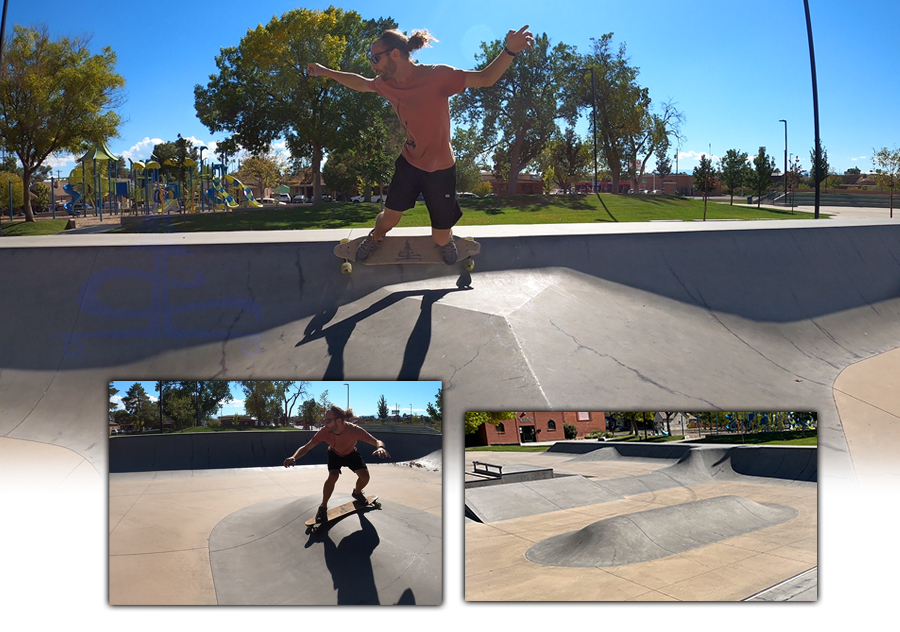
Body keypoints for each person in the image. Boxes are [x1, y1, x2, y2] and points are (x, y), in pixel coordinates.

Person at [307, 25, 534, 264]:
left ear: (395, 53)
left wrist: (509, 50)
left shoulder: (437, 76)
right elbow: (361, 82)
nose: (373, 65)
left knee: (440, 237)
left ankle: (446, 240)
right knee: (389, 219)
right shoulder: (387, 84)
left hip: (441, 169)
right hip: (410, 163)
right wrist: (326, 71)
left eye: (375, 58)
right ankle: (375, 237)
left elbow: (485, 78)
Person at [284, 405, 391, 524]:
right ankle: (323, 508)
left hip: (351, 454)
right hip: (334, 454)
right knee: (333, 476)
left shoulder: (354, 430)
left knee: (365, 477)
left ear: (338, 421)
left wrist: (380, 447)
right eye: (324, 421)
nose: (325, 424)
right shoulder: (324, 432)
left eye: (327, 421)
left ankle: (357, 493)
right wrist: (293, 457)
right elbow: (306, 447)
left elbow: (376, 441)